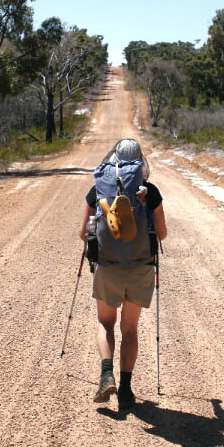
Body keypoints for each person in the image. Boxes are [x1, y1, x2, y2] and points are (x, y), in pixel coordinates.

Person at [78, 139, 167, 409]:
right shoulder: (149, 192)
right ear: (140, 163)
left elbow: (83, 234)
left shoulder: (98, 191)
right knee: (130, 329)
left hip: (107, 266)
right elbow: (162, 234)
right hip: (140, 268)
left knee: (105, 323)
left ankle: (106, 374)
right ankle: (126, 389)